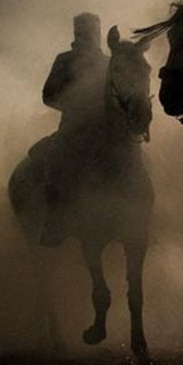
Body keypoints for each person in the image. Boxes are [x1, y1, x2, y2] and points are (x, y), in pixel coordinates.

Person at [40, 12, 109, 247]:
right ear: (77, 33)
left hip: (106, 129)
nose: (91, 35)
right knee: (55, 159)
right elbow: (48, 95)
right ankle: (55, 220)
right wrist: (74, 102)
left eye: (93, 30)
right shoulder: (64, 61)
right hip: (73, 127)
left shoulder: (109, 63)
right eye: (85, 30)